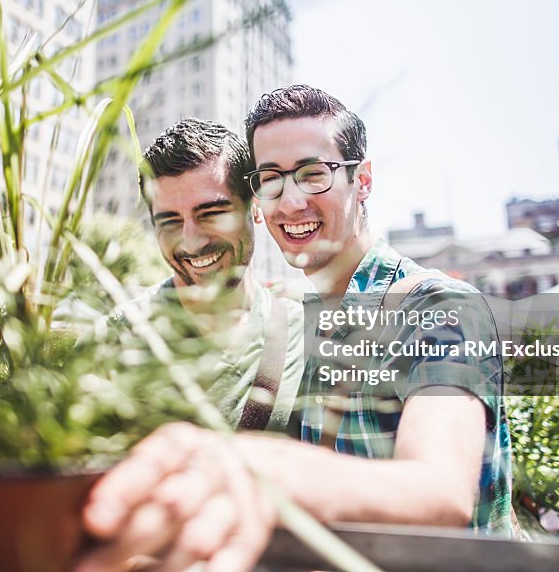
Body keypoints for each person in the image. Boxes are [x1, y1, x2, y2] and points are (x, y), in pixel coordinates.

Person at [77, 88, 511, 572]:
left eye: (313, 175)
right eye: (271, 180)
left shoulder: (436, 305)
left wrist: (250, 465)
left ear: (361, 180)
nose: (293, 200)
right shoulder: (311, 318)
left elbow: (442, 492)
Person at [105, 118, 305, 432]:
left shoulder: (308, 334)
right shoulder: (115, 340)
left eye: (211, 213)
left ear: (255, 207)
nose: (192, 241)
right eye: (170, 221)